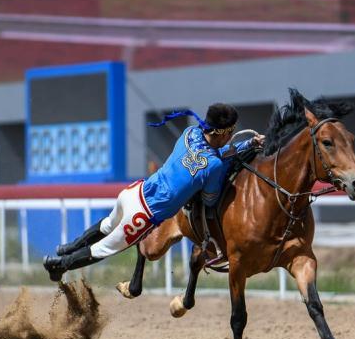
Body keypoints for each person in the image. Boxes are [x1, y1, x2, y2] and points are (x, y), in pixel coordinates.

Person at [43, 103, 265, 281]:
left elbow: (212, 154)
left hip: (134, 192)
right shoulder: (214, 165)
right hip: (145, 214)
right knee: (102, 250)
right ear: (224, 133)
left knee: (107, 225)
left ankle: (66, 248)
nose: (231, 136)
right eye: (231, 132)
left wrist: (246, 145)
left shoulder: (190, 133)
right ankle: (59, 266)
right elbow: (210, 199)